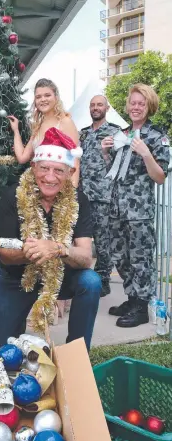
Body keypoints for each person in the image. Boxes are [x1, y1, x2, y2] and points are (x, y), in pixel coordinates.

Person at [0, 128, 101, 352]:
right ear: (33, 167)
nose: (50, 178)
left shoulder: (79, 200)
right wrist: (33, 250)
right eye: (44, 169)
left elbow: (86, 257)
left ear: (70, 172)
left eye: (58, 171)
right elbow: (4, 254)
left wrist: (57, 248)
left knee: (91, 281)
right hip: (16, 275)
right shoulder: (14, 195)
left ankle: (77, 354)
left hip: (63, 275)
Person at [101, 84, 170, 327]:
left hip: (139, 210)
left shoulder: (156, 136)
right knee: (120, 255)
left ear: (149, 106)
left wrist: (146, 154)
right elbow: (115, 172)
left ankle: (142, 306)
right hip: (117, 208)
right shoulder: (123, 134)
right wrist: (106, 154)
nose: (136, 107)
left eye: (141, 103)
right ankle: (132, 298)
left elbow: (160, 176)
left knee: (140, 258)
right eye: (133, 102)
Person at [79, 95, 120, 297]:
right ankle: (81, 277)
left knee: (103, 242)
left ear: (107, 108)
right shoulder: (83, 134)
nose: (96, 108)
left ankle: (103, 280)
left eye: (99, 105)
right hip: (82, 195)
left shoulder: (115, 133)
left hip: (103, 196)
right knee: (80, 238)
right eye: (93, 105)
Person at [7, 79, 79, 185]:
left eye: (47, 95)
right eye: (38, 97)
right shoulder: (38, 126)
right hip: (38, 185)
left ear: (56, 97)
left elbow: (75, 160)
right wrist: (16, 130)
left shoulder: (65, 122)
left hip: (58, 185)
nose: (43, 99)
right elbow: (22, 158)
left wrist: (72, 192)